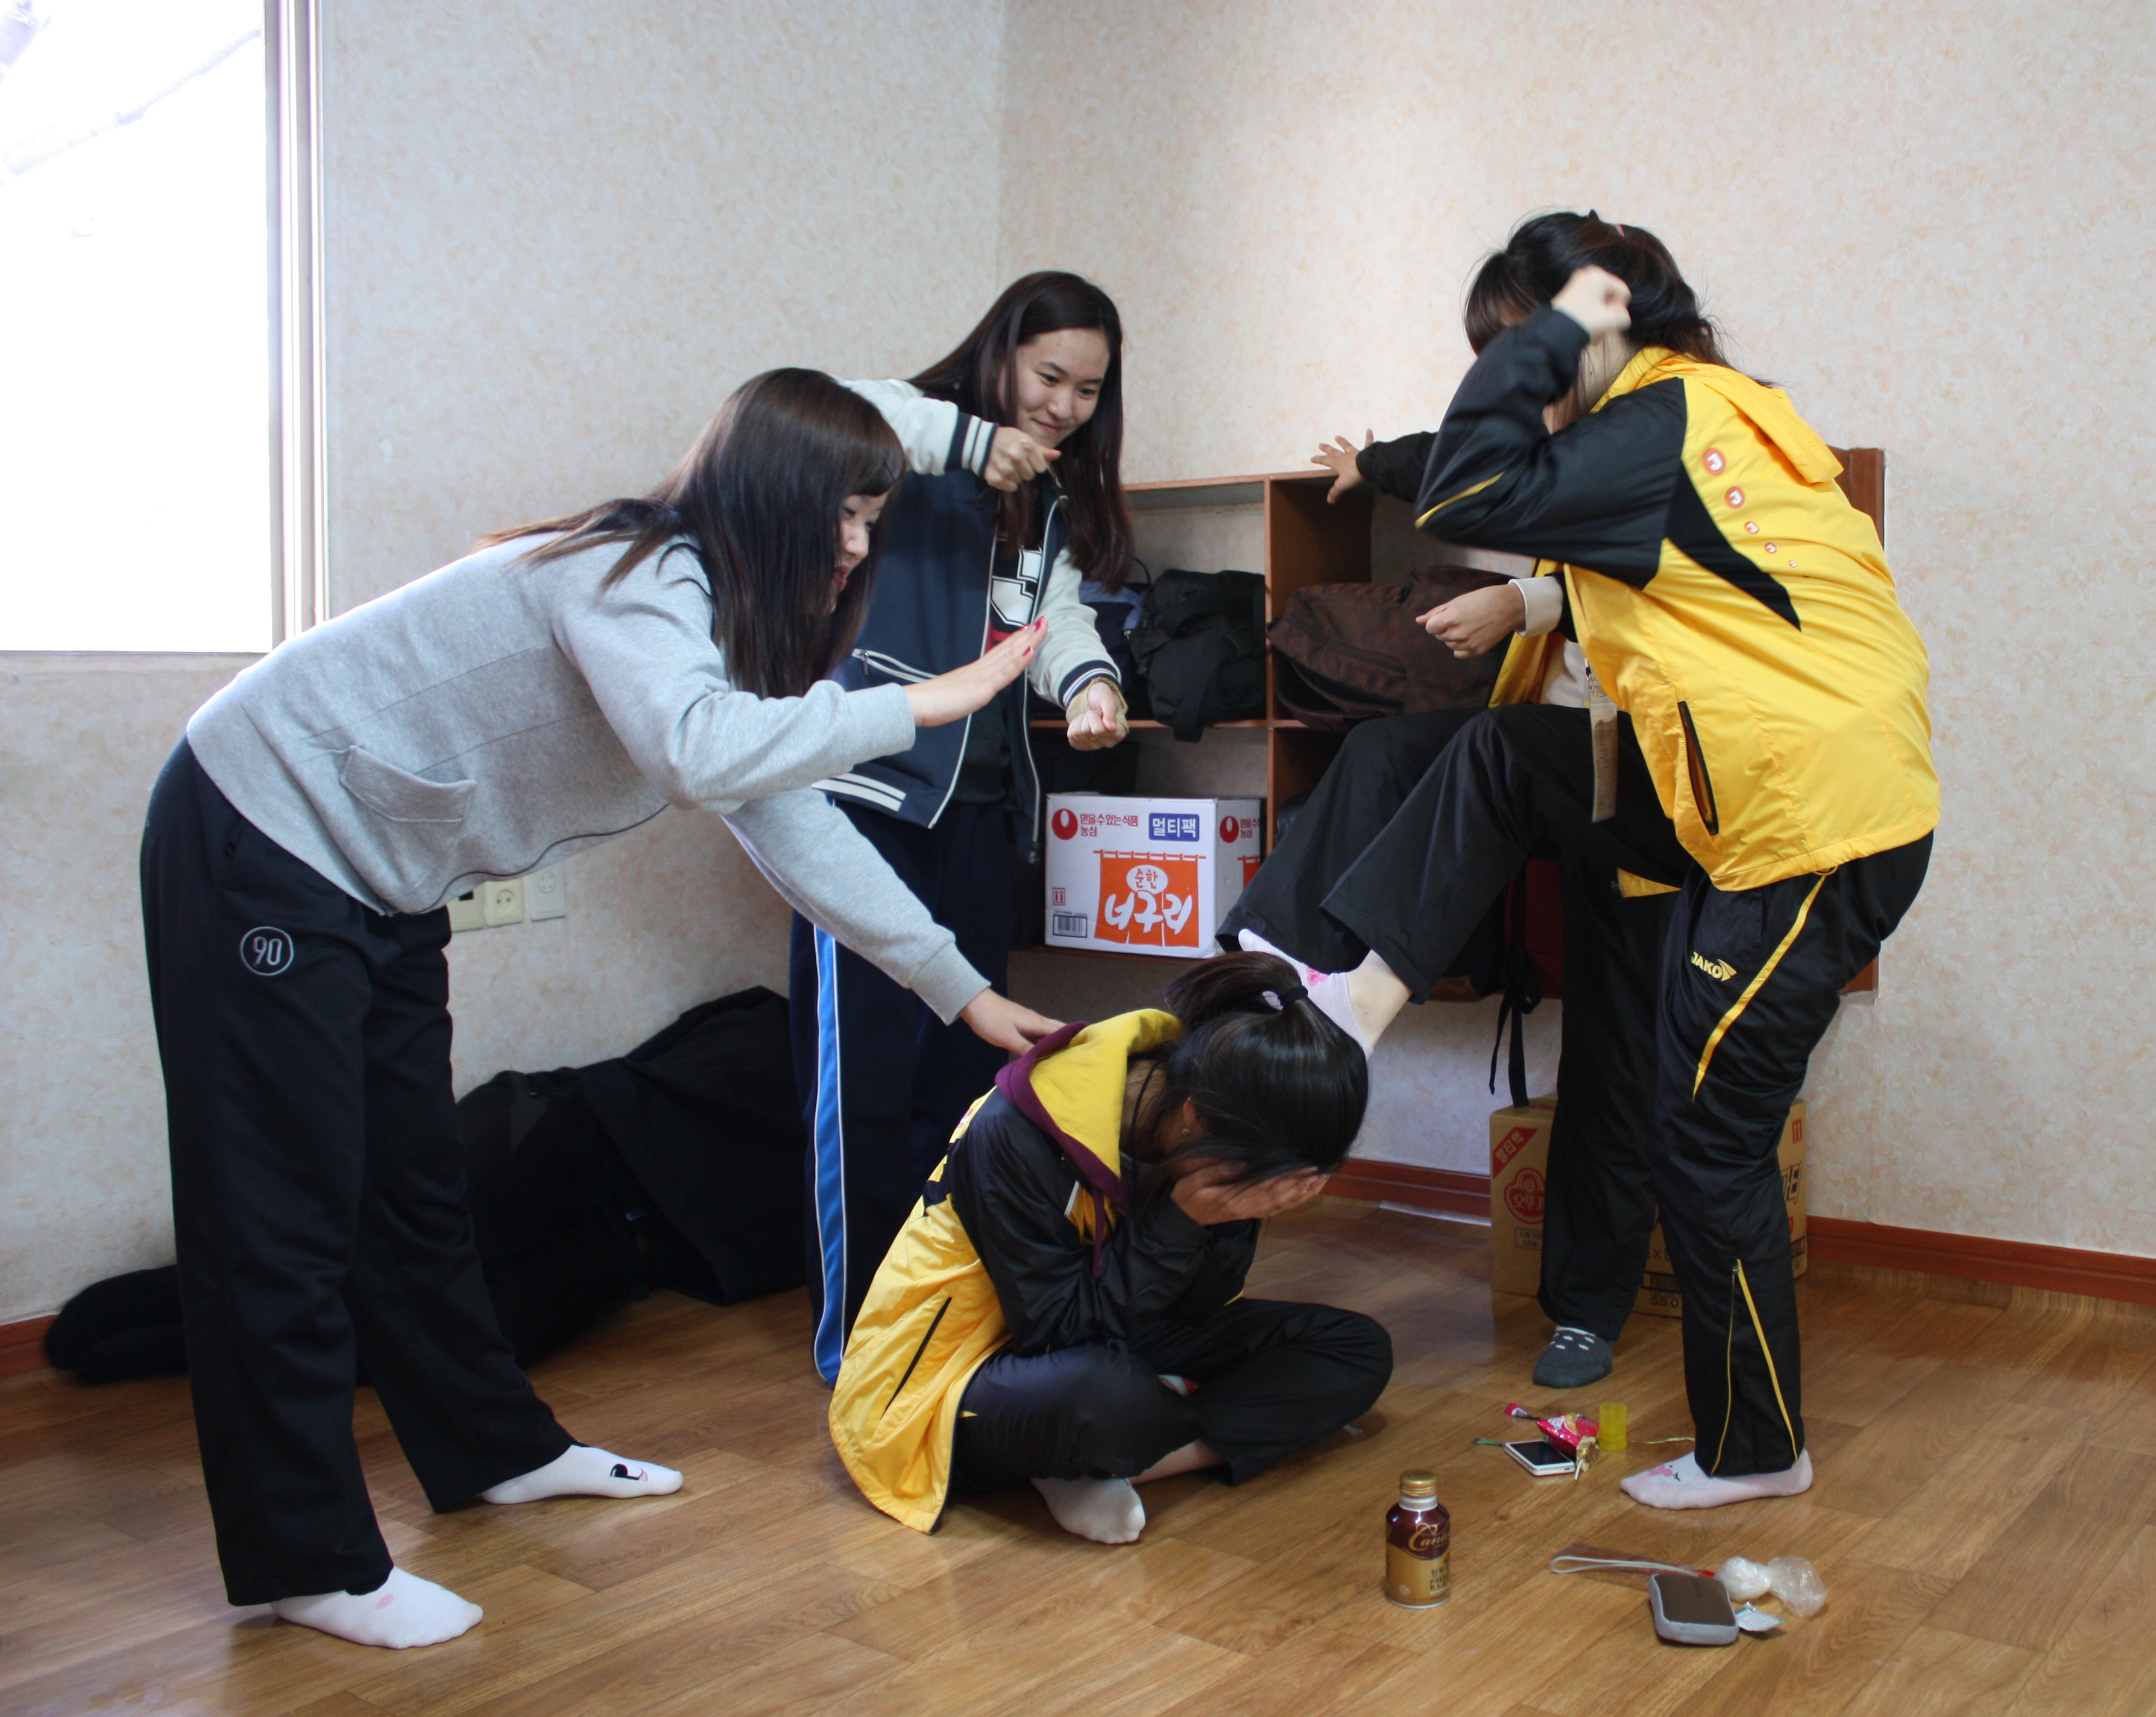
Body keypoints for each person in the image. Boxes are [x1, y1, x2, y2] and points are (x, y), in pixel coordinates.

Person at [139, 368, 1061, 1648]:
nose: (859, 546)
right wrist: (920, 702)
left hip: (379, 878)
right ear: (773, 497)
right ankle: (308, 1558)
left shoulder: (711, 626)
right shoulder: (636, 573)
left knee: (412, 1188)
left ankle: (494, 1449)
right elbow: (696, 752)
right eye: (846, 515)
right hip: (263, 822)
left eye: (871, 519)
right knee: (280, 1216)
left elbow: (788, 816)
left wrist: (960, 991)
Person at [1282, 213, 1940, 1513]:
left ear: (1594, 324)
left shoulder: (1665, 416)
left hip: (1813, 825)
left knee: (1705, 1134)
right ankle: (1347, 993)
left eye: (1525, 345)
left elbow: (1467, 490)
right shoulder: (1700, 416)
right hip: (1747, 803)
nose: (1517, 376)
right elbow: (1488, 484)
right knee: (1506, 752)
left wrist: (1554, 334)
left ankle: (1756, 1448)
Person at [1225, 379, 1675, 1392]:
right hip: (1546, 753)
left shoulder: (1677, 450)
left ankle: (1587, 1310)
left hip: (1645, 784)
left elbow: (1669, 585)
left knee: (1614, 1049)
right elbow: (1462, 456)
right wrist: (1371, 464)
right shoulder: (1550, 437)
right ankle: (1273, 972)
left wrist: (1522, 602)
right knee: (1385, 749)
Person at [795, 273, 1138, 1384]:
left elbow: (1053, 614)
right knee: (862, 1085)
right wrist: (969, 440)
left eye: (1089, 390)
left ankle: (940, 1313)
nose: (1065, 406)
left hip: (980, 812)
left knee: (965, 1081)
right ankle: (859, 1343)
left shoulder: (1049, 495)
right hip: (864, 802)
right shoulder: (903, 441)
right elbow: (811, 409)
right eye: (1049, 377)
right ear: (999, 357)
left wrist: (1089, 686)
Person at [828, 951, 1392, 1545]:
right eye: (1267, 1181)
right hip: (960, 1371)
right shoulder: (1014, 1133)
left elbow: (1201, 1306)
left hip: (1113, 1328)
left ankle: (1114, 1460)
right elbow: (1054, 1330)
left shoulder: (1205, 1113)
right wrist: (1181, 1219)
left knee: (1356, 1349)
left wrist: (1234, 1216)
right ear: (1197, 1118)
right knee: (1110, 1399)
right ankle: (1116, 1438)